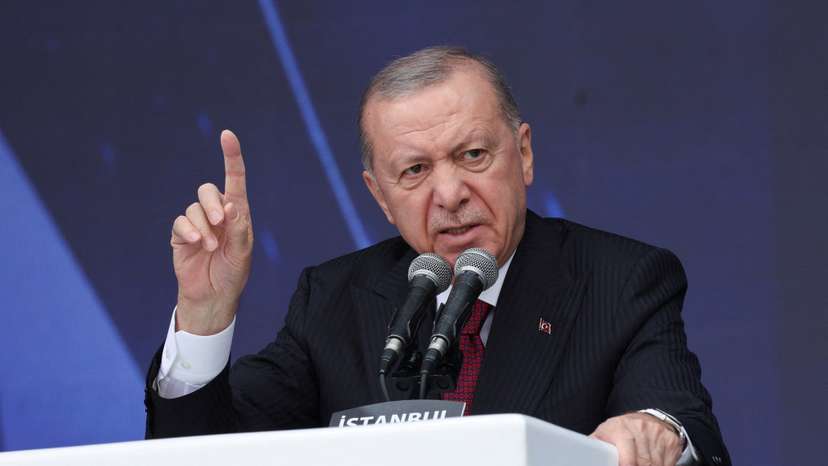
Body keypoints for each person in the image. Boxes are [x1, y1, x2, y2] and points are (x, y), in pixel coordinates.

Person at [144, 47, 730, 466]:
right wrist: (204, 313)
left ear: (522, 154)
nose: (448, 194)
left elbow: (681, 420)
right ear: (379, 194)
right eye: (415, 171)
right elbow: (203, 454)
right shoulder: (333, 300)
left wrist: (659, 433)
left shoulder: (621, 281)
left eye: (473, 154)